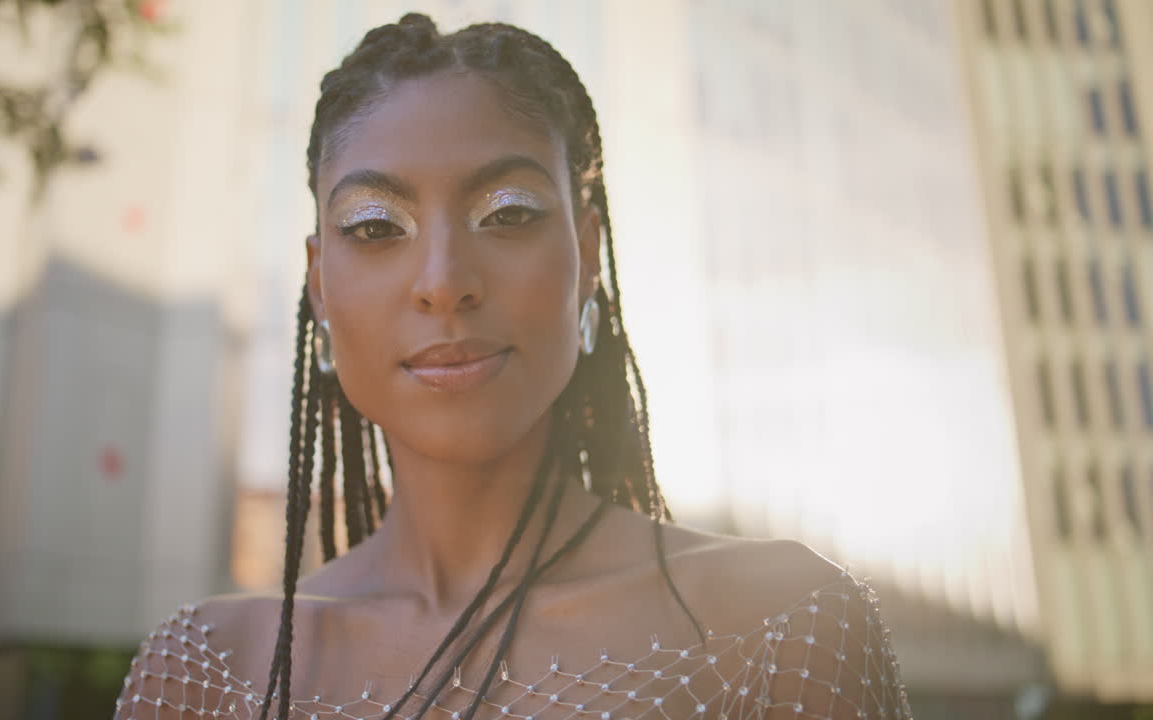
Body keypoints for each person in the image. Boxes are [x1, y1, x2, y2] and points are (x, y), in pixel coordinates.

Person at [114, 13, 912, 720]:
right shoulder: (208, 673)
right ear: (319, 283)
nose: (443, 281)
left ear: (588, 253)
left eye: (508, 214)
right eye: (376, 226)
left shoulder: (782, 624)